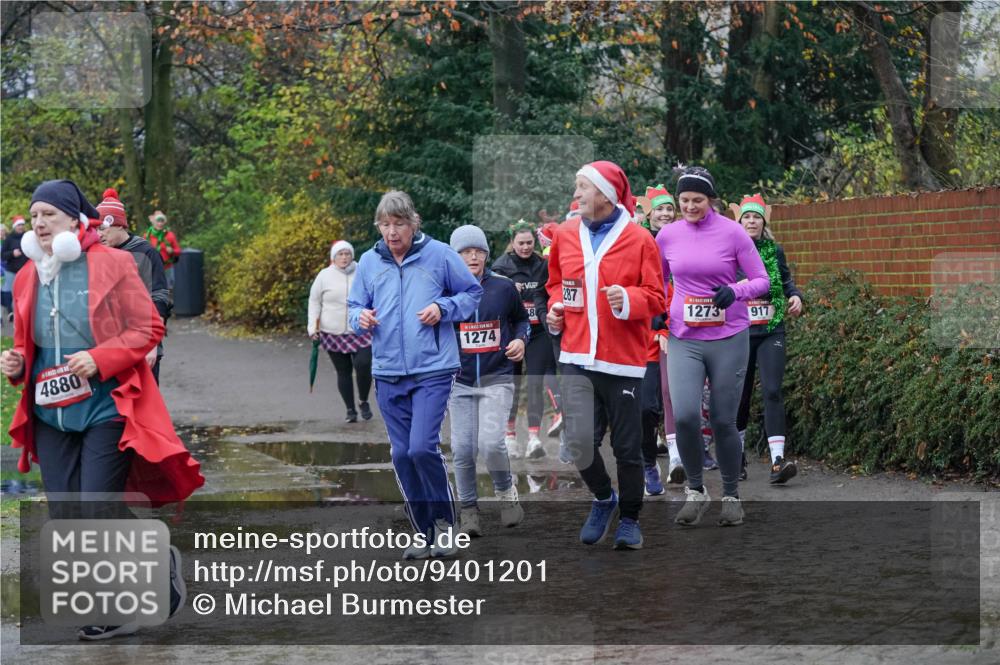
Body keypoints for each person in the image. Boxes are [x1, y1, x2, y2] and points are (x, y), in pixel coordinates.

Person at [1, 180, 203, 640]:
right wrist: (15, 364)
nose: (38, 223)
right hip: (51, 412)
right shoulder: (31, 273)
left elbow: (148, 326)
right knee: (67, 514)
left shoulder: (113, 262)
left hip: (106, 404)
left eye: (48, 214)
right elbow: (26, 344)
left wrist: (101, 357)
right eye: (34, 216)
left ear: (75, 220)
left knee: (96, 506)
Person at [348, 190, 483, 559]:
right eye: (385, 224)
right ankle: (423, 531)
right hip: (388, 368)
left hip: (434, 367)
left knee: (423, 447)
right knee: (402, 454)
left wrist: (443, 307)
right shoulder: (368, 262)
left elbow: (471, 294)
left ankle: (445, 525)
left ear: (413, 223)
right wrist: (359, 317)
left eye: (399, 223)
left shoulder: (439, 255)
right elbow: (355, 304)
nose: (392, 231)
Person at [546, 161, 666, 550]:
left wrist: (629, 299)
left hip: (623, 361)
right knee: (578, 443)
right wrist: (554, 310)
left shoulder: (640, 239)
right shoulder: (565, 235)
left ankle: (630, 519)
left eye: (583, 187)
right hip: (575, 355)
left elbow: (658, 297)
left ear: (606, 194)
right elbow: (554, 286)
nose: (576, 194)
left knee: (627, 449)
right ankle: (603, 498)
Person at [657, 167, 770, 527]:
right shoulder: (667, 235)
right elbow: (655, 280)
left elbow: (762, 281)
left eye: (697, 200)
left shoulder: (733, 232)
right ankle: (695, 491)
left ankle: (731, 495)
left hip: (728, 336)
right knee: (687, 415)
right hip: (684, 337)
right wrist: (657, 310)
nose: (689, 206)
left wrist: (734, 291)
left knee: (723, 419)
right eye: (684, 201)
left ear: (711, 200)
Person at [448, 224, 528, 536]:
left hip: (498, 376)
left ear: (486, 254)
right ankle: (469, 510)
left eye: (478, 250)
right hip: (460, 380)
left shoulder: (503, 287)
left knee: (491, 442)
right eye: (466, 251)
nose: (473, 256)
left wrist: (521, 339)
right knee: (463, 448)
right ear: (455, 257)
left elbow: (521, 320)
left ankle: (507, 495)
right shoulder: (445, 290)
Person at [730, 194, 804, 484]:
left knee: (773, 390)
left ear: (764, 222)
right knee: (741, 396)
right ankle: (735, 456)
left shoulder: (775, 250)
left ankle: (777, 461)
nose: (751, 221)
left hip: (772, 329)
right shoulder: (729, 250)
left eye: (756, 217)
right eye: (746, 217)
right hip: (740, 332)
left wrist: (795, 296)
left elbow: (786, 281)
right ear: (739, 222)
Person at [492, 220, 562, 459]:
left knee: (534, 383)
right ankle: (509, 435)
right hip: (512, 333)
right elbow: (493, 297)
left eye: (529, 243)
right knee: (513, 383)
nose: (525, 247)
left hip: (538, 331)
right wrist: (510, 289)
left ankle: (534, 438)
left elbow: (551, 289)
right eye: (520, 243)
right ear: (512, 243)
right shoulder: (501, 267)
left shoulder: (542, 265)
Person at [96, 189, 171, 383]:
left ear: (119, 225)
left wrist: (152, 344)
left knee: (145, 406)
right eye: (95, 229)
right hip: (109, 345)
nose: (98, 234)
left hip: (144, 342)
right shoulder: (97, 254)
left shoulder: (145, 252)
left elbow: (160, 297)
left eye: (103, 228)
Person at [308, 240, 374, 423]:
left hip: (360, 329)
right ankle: (350, 410)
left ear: (352, 256)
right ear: (333, 257)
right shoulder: (324, 276)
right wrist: (313, 328)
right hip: (332, 331)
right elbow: (314, 302)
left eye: (347, 254)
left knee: (363, 364)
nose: (344, 258)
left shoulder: (363, 271)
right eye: (340, 254)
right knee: (343, 372)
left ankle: (363, 400)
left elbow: (375, 295)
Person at [2, 215, 29, 325]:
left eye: (22, 225)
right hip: (11, 271)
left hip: (26, 270)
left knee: (25, 295)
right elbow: (3, 255)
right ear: (14, 226)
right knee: (14, 295)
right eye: (19, 225)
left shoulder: (28, 236)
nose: (21, 227)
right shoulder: (9, 239)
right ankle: (14, 317)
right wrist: (12, 253)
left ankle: (24, 316)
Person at [144, 210, 181, 288]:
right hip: (152, 269)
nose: (160, 224)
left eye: (162, 221)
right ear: (153, 221)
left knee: (168, 292)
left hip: (167, 268)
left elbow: (178, 251)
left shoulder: (169, 235)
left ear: (165, 222)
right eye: (158, 221)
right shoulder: (147, 236)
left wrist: (172, 251)